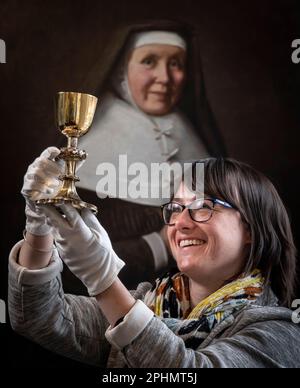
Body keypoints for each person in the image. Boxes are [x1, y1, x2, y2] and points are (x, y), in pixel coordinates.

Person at [8, 151, 300, 368]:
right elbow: (38, 318)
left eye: (203, 207)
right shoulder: (147, 302)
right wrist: (39, 225)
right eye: (175, 208)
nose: (180, 223)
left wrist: (103, 279)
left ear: (251, 229)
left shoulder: (280, 332)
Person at [65, 20, 226, 291]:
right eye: (149, 61)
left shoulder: (196, 135)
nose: (164, 77)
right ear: (121, 70)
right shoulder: (83, 150)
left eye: (176, 63)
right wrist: (159, 245)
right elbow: (72, 263)